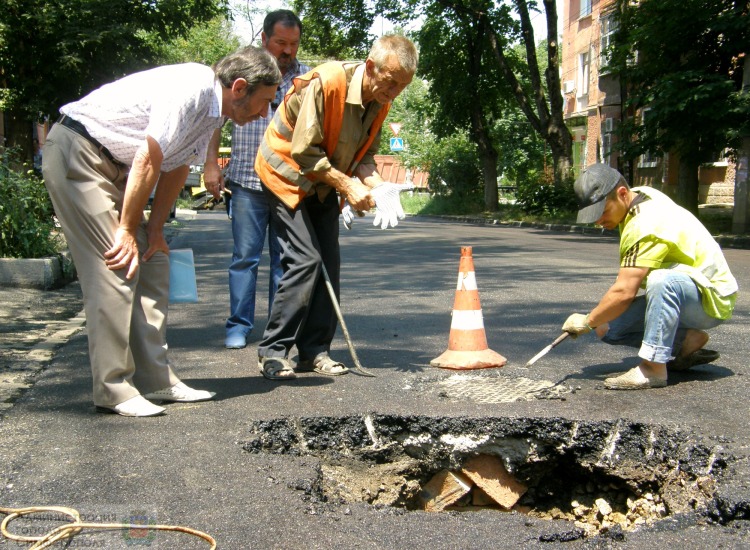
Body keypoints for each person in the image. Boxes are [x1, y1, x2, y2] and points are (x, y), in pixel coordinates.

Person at [42, 47, 281, 416]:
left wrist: (155, 232)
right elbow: (148, 157)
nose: (265, 112)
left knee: (153, 262)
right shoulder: (191, 89)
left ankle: (156, 378)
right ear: (238, 87)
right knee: (118, 265)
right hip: (79, 154)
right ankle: (114, 389)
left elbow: (177, 165)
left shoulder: (214, 114)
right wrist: (125, 229)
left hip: (114, 167)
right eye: (264, 102)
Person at [253, 34, 418, 380]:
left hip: (323, 182)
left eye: (403, 86)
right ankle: (273, 351)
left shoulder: (380, 100)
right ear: (371, 67)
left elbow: (365, 157)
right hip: (286, 174)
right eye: (391, 83)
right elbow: (304, 151)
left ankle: (313, 352)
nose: (394, 93)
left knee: (329, 261)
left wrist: (379, 186)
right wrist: (348, 186)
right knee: (305, 260)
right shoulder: (327, 81)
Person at [562, 163, 738, 390]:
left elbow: (624, 291)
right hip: (687, 292)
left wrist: (586, 321)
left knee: (662, 280)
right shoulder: (642, 196)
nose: (598, 221)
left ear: (622, 194)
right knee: (606, 327)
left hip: (711, 297)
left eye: (602, 212)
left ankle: (653, 369)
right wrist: (595, 321)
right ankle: (686, 341)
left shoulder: (645, 224)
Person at [204, 10, 310, 350]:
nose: (287, 50)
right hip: (246, 182)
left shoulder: (306, 79)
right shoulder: (244, 72)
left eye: (293, 44)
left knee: (285, 261)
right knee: (245, 258)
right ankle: (238, 325)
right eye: (281, 42)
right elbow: (215, 119)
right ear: (265, 39)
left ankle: (277, 331)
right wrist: (211, 165)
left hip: (287, 185)